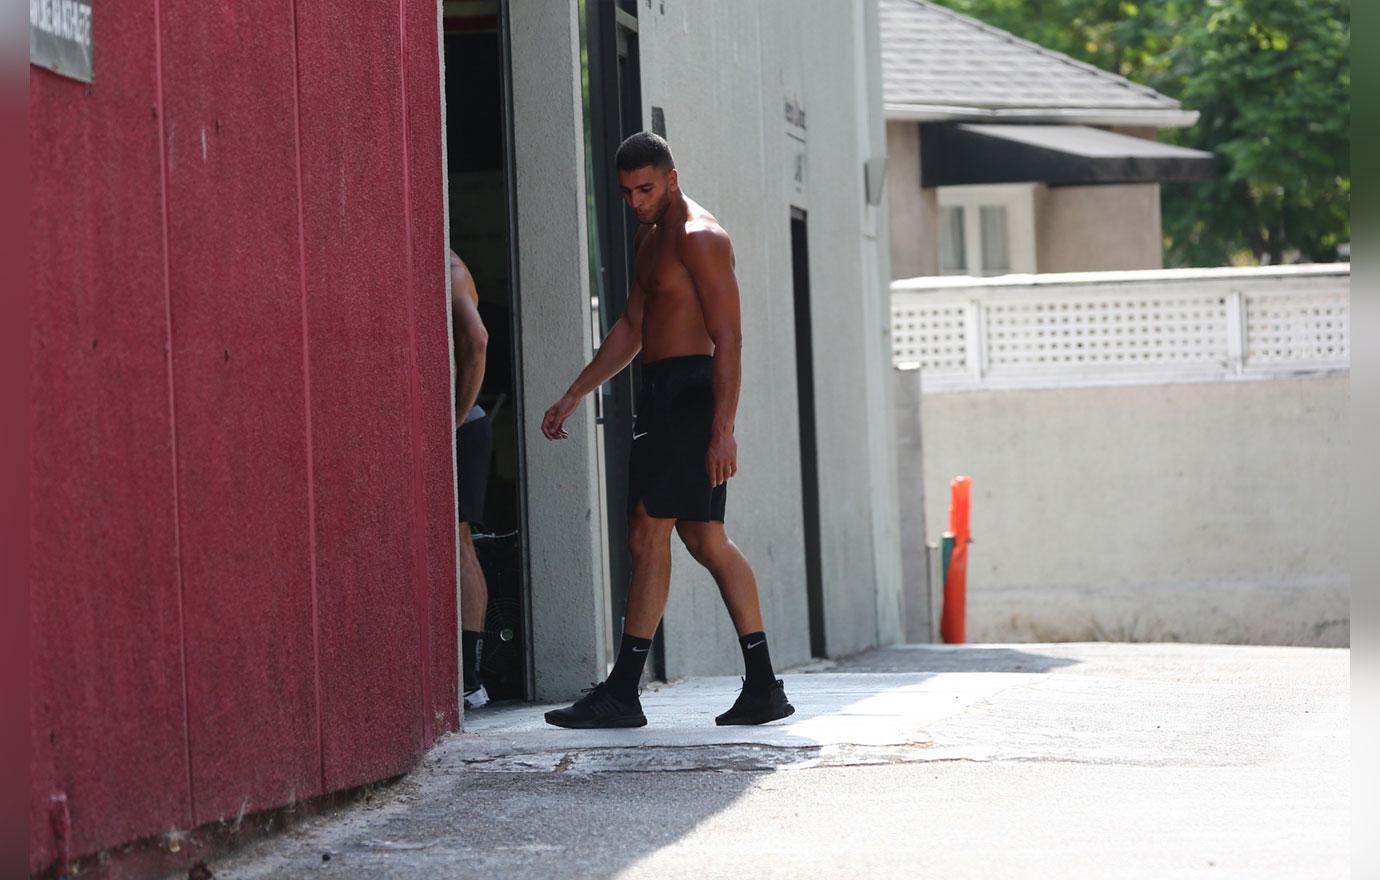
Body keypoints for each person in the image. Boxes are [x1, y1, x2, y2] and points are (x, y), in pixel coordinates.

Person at [540, 132, 794, 729]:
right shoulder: (649, 236)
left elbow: (729, 337)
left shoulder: (701, 238)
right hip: (659, 395)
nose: (635, 201)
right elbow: (632, 325)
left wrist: (723, 429)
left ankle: (623, 693)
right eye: (627, 192)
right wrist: (577, 392)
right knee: (704, 539)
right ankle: (762, 685)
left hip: (690, 397)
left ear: (672, 178)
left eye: (645, 189)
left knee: (646, 529)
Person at [450, 248, 493, 710]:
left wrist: (457, 416)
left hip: (465, 426)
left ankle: (469, 678)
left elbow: (477, 340)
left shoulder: (451, 269)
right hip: (460, 424)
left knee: (459, 540)